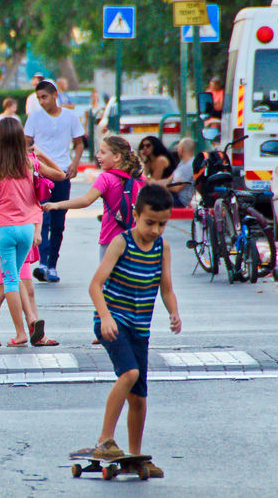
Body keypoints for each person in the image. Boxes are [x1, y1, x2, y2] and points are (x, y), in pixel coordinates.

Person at [87, 184, 181, 478]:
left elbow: (166, 287)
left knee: (139, 398)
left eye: (162, 224)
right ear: (136, 215)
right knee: (129, 374)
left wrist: (174, 312)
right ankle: (104, 440)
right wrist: (104, 317)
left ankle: (134, 455)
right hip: (112, 323)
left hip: (140, 327)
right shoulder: (121, 243)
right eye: (149, 222)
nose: (155, 230)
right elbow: (95, 285)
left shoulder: (162, 247)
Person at [0, 118, 50, 347]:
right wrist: (42, 155)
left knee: (9, 283)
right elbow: (59, 174)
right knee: (18, 280)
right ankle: (31, 323)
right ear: (20, 139)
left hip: (5, 230)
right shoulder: (30, 164)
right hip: (27, 230)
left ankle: (21, 333)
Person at [44, 136, 144, 260]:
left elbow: (86, 200)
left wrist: (57, 204)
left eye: (102, 152)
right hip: (133, 238)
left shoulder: (106, 178)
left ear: (117, 157)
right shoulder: (138, 179)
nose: (98, 156)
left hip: (111, 238)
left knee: (107, 276)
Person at [24, 79, 85, 283]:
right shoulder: (34, 118)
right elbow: (25, 144)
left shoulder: (70, 116)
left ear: (54, 95)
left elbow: (79, 143)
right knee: (43, 218)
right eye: (39, 98)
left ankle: (52, 265)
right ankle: (42, 262)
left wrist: (75, 163)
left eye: (45, 97)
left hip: (62, 172)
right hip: (41, 174)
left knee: (59, 222)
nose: (42, 101)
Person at [165, 138, 196, 207]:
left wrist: (162, 187)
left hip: (179, 200)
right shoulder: (182, 163)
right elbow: (170, 179)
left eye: (178, 148)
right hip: (172, 195)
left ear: (182, 149)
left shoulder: (189, 165)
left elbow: (177, 188)